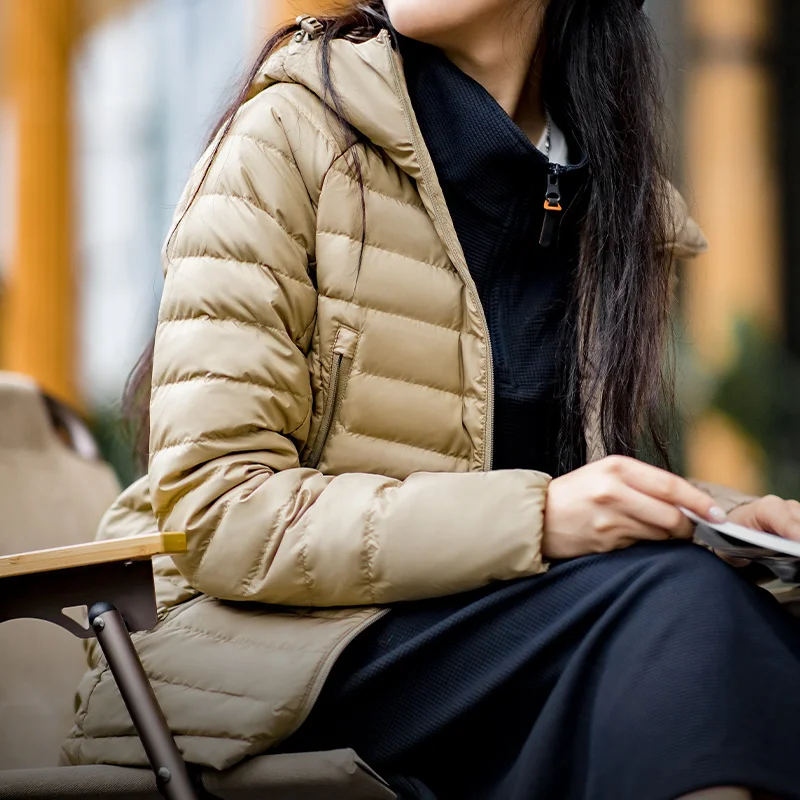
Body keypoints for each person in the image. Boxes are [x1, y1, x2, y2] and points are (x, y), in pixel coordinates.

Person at [62, 1, 800, 798]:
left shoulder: (608, 204)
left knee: (729, 613)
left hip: (502, 633)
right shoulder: (286, 137)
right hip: (268, 660)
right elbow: (216, 510)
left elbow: (555, 500)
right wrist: (541, 519)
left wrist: (713, 522)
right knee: (682, 612)